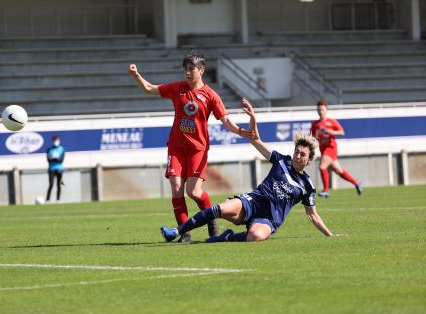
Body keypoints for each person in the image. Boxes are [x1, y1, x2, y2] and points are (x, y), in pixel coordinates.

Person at [160, 98, 342, 243]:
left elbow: (312, 214)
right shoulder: (281, 161)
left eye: (302, 154)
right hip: (252, 202)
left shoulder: (307, 185)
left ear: (309, 160)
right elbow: (256, 141)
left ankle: (227, 237)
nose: (297, 156)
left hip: (269, 219)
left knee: (256, 236)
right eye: (296, 151)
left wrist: (329, 234)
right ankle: (177, 231)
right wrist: (253, 118)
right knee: (220, 208)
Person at [128, 52, 252, 242]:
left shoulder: (210, 95)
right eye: (185, 69)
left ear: (201, 70)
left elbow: (225, 120)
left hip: (197, 149)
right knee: (176, 188)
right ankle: (185, 233)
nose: (187, 72)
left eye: (191, 69)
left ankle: (212, 220)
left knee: (193, 191)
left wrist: (240, 131)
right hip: (176, 148)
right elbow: (149, 89)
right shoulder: (178, 88)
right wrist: (136, 75)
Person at [311, 99, 362, 198]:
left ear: (326, 110)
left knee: (322, 166)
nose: (320, 112)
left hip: (331, 148)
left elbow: (342, 132)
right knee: (339, 171)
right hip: (323, 150)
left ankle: (326, 190)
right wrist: (313, 143)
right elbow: (313, 137)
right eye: (318, 110)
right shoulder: (315, 124)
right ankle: (356, 183)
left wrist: (332, 132)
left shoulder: (331, 122)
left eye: (322, 110)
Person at [46, 135, 65, 202]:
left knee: (59, 185)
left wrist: (54, 159)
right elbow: (48, 160)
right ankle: (47, 200)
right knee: (51, 184)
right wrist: (55, 159)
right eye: (54, 140)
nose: (56, 142)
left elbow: (61, 160)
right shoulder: (49, 149)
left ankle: (58, 199)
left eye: (57, 140)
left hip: (60, 169)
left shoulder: (62, 149)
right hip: (51, 169)